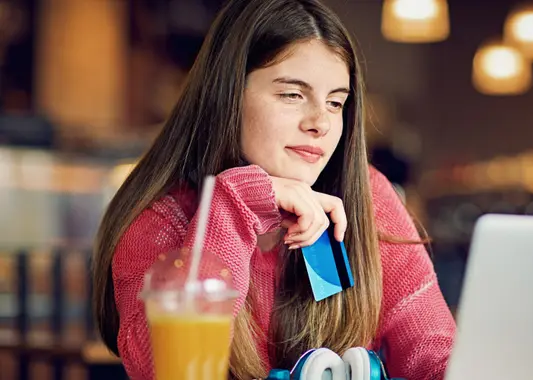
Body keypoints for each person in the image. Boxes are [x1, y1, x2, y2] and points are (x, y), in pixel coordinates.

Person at [91, 0, 455, 379]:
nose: (320, 123)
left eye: (335, 103)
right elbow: (164, 370)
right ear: (227, 95)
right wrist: (237, 202)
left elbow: (431, 346)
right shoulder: (162, 219)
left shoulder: (366, 195)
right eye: (292, 95)